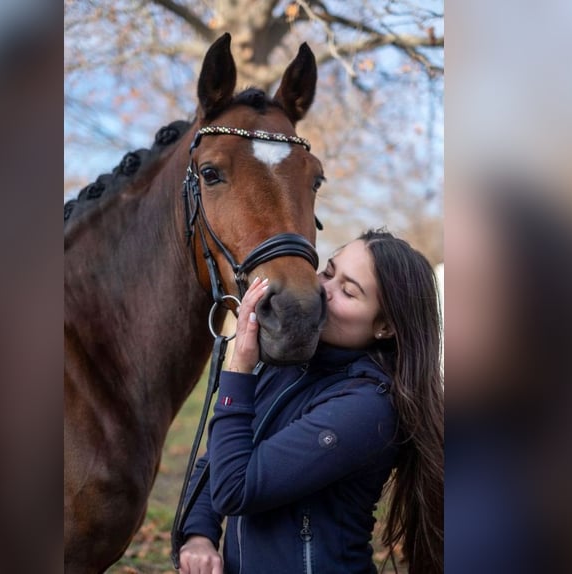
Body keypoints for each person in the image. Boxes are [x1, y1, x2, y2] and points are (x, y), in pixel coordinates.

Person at [179, 229, 444, 574]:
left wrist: (240, 369)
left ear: (385, 326)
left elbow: (236, 488)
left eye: (348, 291)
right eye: (328, 272)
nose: (322, 290)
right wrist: (198, 535)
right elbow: (219, 458)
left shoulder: (368, 408)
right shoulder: (290, 365)